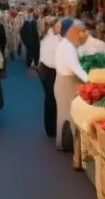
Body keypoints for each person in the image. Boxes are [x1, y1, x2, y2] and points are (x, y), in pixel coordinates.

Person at [54, 19, 91, 151]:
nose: (83, 35)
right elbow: (76, 68)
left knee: (64, 114)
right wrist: (90, 81)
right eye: (82, 32)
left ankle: (63, 142)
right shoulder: (68, 47)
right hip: (67, 84)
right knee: (68, 115)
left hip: (64, 82)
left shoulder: (68, 44)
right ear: (75, 32)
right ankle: (65, 144)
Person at [39, 17, 61, 138]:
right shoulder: (54, 40)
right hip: (50, 70)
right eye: (58, 26)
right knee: (51, 98)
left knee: (49, 97)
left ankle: (50, 127)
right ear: (53, 27)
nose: (60, 28)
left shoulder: (48, 37)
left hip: (44, 69)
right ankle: (51, 128)